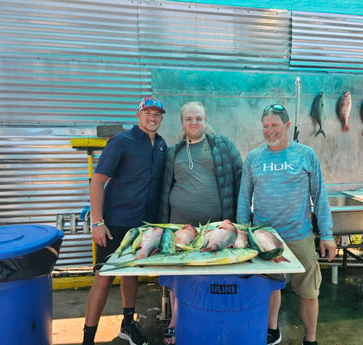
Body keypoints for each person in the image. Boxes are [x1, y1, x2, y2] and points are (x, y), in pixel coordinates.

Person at [237, 104, 337, 345]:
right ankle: (272, 330)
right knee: (270, 287)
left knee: (309, 292)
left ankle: (310, 339)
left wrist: (327, 234)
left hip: (299, 236)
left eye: (274, 125)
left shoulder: (305, 154)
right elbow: (244, 197)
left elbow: (320, 196)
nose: (269, 131)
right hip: (264, 237)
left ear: (287, 126)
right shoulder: (254, 157)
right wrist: (241, 233)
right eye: (265, 126)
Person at [82, 97, 167, 345]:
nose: (152, 117)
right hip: (116, 224)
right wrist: (97, 223)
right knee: (104, 277)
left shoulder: (161, 145)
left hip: (144, 227)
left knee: (132, 274)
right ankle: (88, 338)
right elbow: (97, 181)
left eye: (157, 114)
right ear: (138, 114)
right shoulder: (122, 142)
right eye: (148, 112)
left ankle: (128, 325)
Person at [158, 101, 243, 344]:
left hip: (216, 225)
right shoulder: (173, 151)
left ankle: (210, 314)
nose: (194, 123)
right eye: (189, 119)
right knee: (179, 273)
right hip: (180, 223)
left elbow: (239, 175)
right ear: (182, 122)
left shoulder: (222, 145)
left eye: (199, 118)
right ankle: (176, 319)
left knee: (213, 272)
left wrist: (240, 217)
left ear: (205, 120)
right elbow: (165, 187)